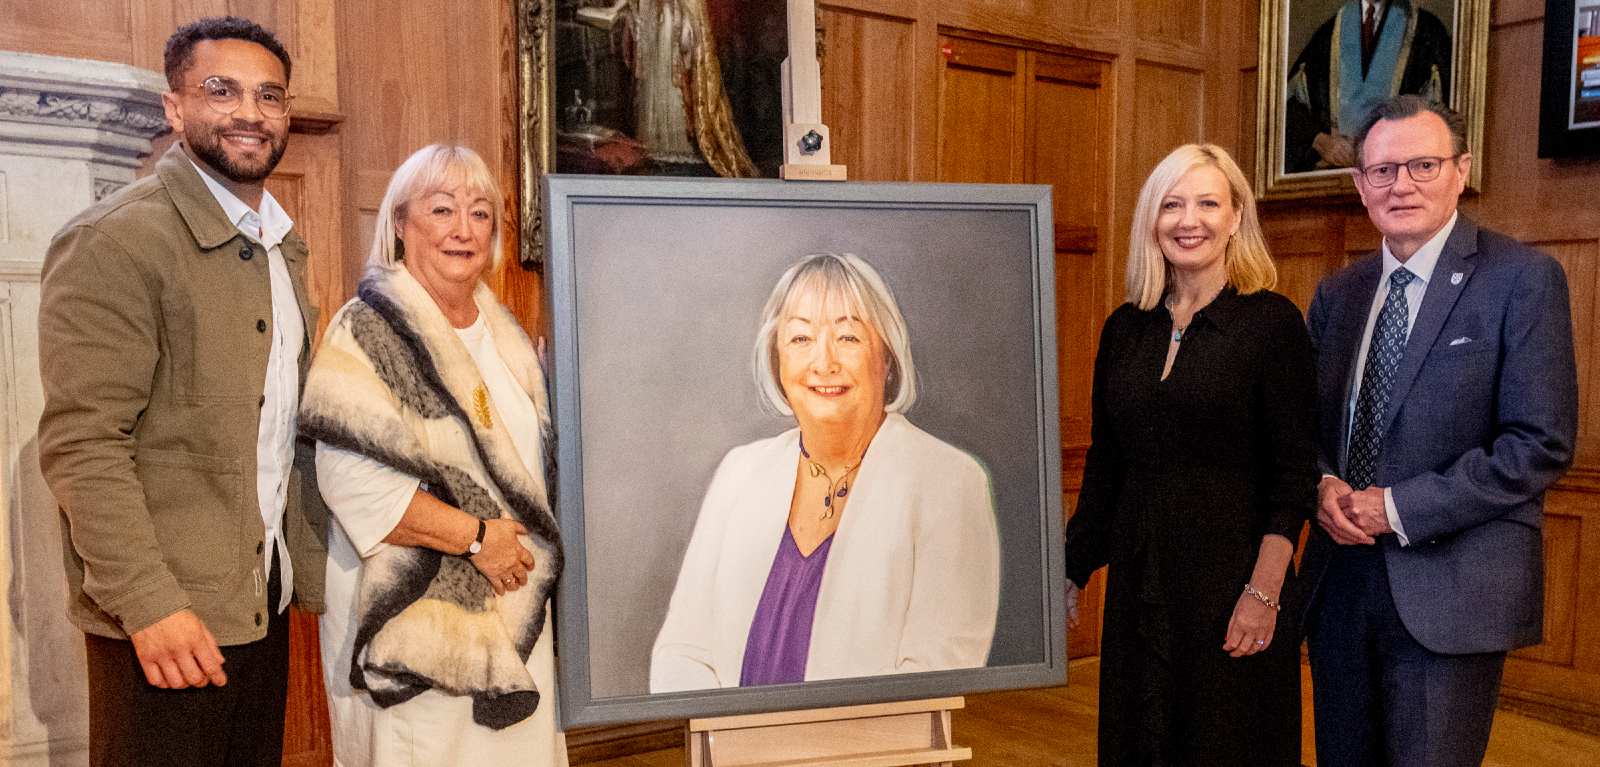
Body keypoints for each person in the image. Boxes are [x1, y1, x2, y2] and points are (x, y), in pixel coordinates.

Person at [36, 16, 324, 766]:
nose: (250, 113)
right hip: (164, 618)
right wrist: (150, 605)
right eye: (220, 90)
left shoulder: (280, 247)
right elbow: (83, 446)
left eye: (270, 95)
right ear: (174, 108)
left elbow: (282, 431)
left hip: (260, 601)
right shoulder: (116, 240)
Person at [1302, 95, 1578, 767]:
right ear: (1361, 186)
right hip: (1340, 584)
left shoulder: (1523, 279)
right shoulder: (1338, 294)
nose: (1402, 185)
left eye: (1422, 164)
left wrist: (1395, 506)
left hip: (1451, 591)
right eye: (1383, 170)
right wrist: (1321, 483)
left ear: (1462, 169)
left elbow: (1538, 443)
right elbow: (1300, 425)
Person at [296, 144, 566, 766]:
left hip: (515, 618)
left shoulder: (509, 338)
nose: (463, 230)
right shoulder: (364, 330)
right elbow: (353, 483)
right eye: (441, 210)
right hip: (413, 628)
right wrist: (476, 540)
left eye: (479, 214)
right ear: (399, 223)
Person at [1063, 144, 1318, 767]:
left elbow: (1293, 477)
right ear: (1152, 221)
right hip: (1139, 584)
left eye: (1208, 203)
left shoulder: (1271, 324)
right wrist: (1070, 569)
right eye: (1171, 205)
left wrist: (1263, 594)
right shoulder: (1127, 326)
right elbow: (1107, 464)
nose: (1189, 220)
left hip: (1231, 589)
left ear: (1236, 218)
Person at [650, 253, 1000, 692]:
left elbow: (939, 671)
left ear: (887, 357)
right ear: (777, 357)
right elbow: (681, 651)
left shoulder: (950, 482)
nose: (823, 362)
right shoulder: (738, 471)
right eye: (800, 338)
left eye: (848, 336)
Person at [1286, 0, 1452, 172]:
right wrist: (1322, 142)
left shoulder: (1427, 32)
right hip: (1334, 184)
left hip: (1399, 180)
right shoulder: (1328, 36)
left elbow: (1441, 121)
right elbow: (1287, 109)